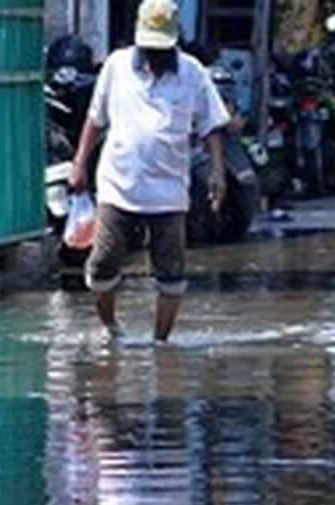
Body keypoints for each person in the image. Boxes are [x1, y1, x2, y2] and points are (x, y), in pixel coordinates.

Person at [69, 0, 232, 343]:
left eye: (161, 49)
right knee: (102, 264)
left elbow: (211, 126)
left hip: (168, 191)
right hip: (118, 185)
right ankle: (111, 328)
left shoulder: (192, 73)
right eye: (149, 48)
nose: (155, 55)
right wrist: (79, 164)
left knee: (171, 272)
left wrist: (218, 172)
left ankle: (161, 343)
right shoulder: (116, 66)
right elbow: (95, 120)